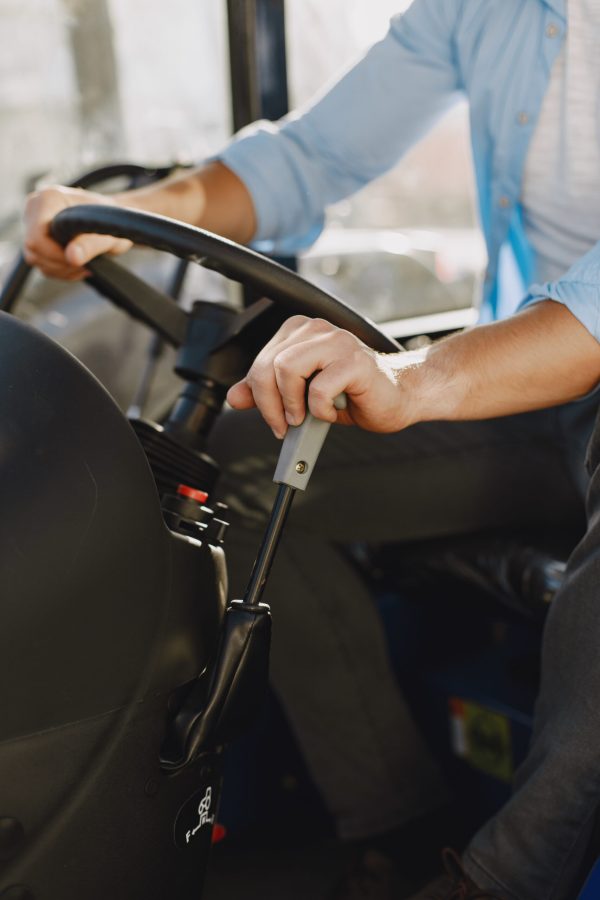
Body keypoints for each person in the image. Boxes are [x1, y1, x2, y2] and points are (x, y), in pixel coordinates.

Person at [22, 0, 600, 896]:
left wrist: (411, 380)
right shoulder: (483, 10)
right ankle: (397, 824)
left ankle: (503, 881)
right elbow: (312, 155)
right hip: (522, 385)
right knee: (242, 475)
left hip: (569, 358)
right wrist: (122, 212)